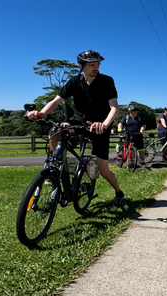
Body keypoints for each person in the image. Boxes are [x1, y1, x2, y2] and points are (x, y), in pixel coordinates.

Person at [27, 50, 125, 207]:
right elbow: (56, 100)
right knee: (55, 131)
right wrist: (40, 113)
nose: (96, 68)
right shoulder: (74, 81)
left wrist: (104, 124)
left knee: (103, 170)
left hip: (99, 126)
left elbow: (114, 108)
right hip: (78, 122)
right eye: (92, 65)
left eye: (98, 64)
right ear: (81, 66)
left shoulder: (106, 81)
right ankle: (58, 167)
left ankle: (119, 193)